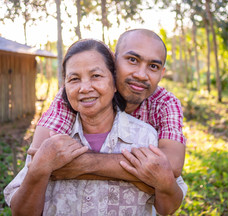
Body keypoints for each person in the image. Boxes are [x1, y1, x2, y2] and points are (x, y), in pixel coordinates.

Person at [4, 39, 187, 215]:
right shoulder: (55, 136)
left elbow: (168, 197)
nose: (84, 88)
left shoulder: (148, 136)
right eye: (74, 79)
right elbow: (36, 162)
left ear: (114, 82)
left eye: (96, 76)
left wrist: (81, 165)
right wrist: (40, 167)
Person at [27, 29, 186, 187]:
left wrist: (85, 165)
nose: (141, 75)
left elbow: (171, 166)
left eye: (153, 66)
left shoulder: (165, 103)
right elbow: (38, 158)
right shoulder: (82, 94)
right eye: (132, 60)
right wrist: (144, 177)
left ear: (162, 73)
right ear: (114, 61)